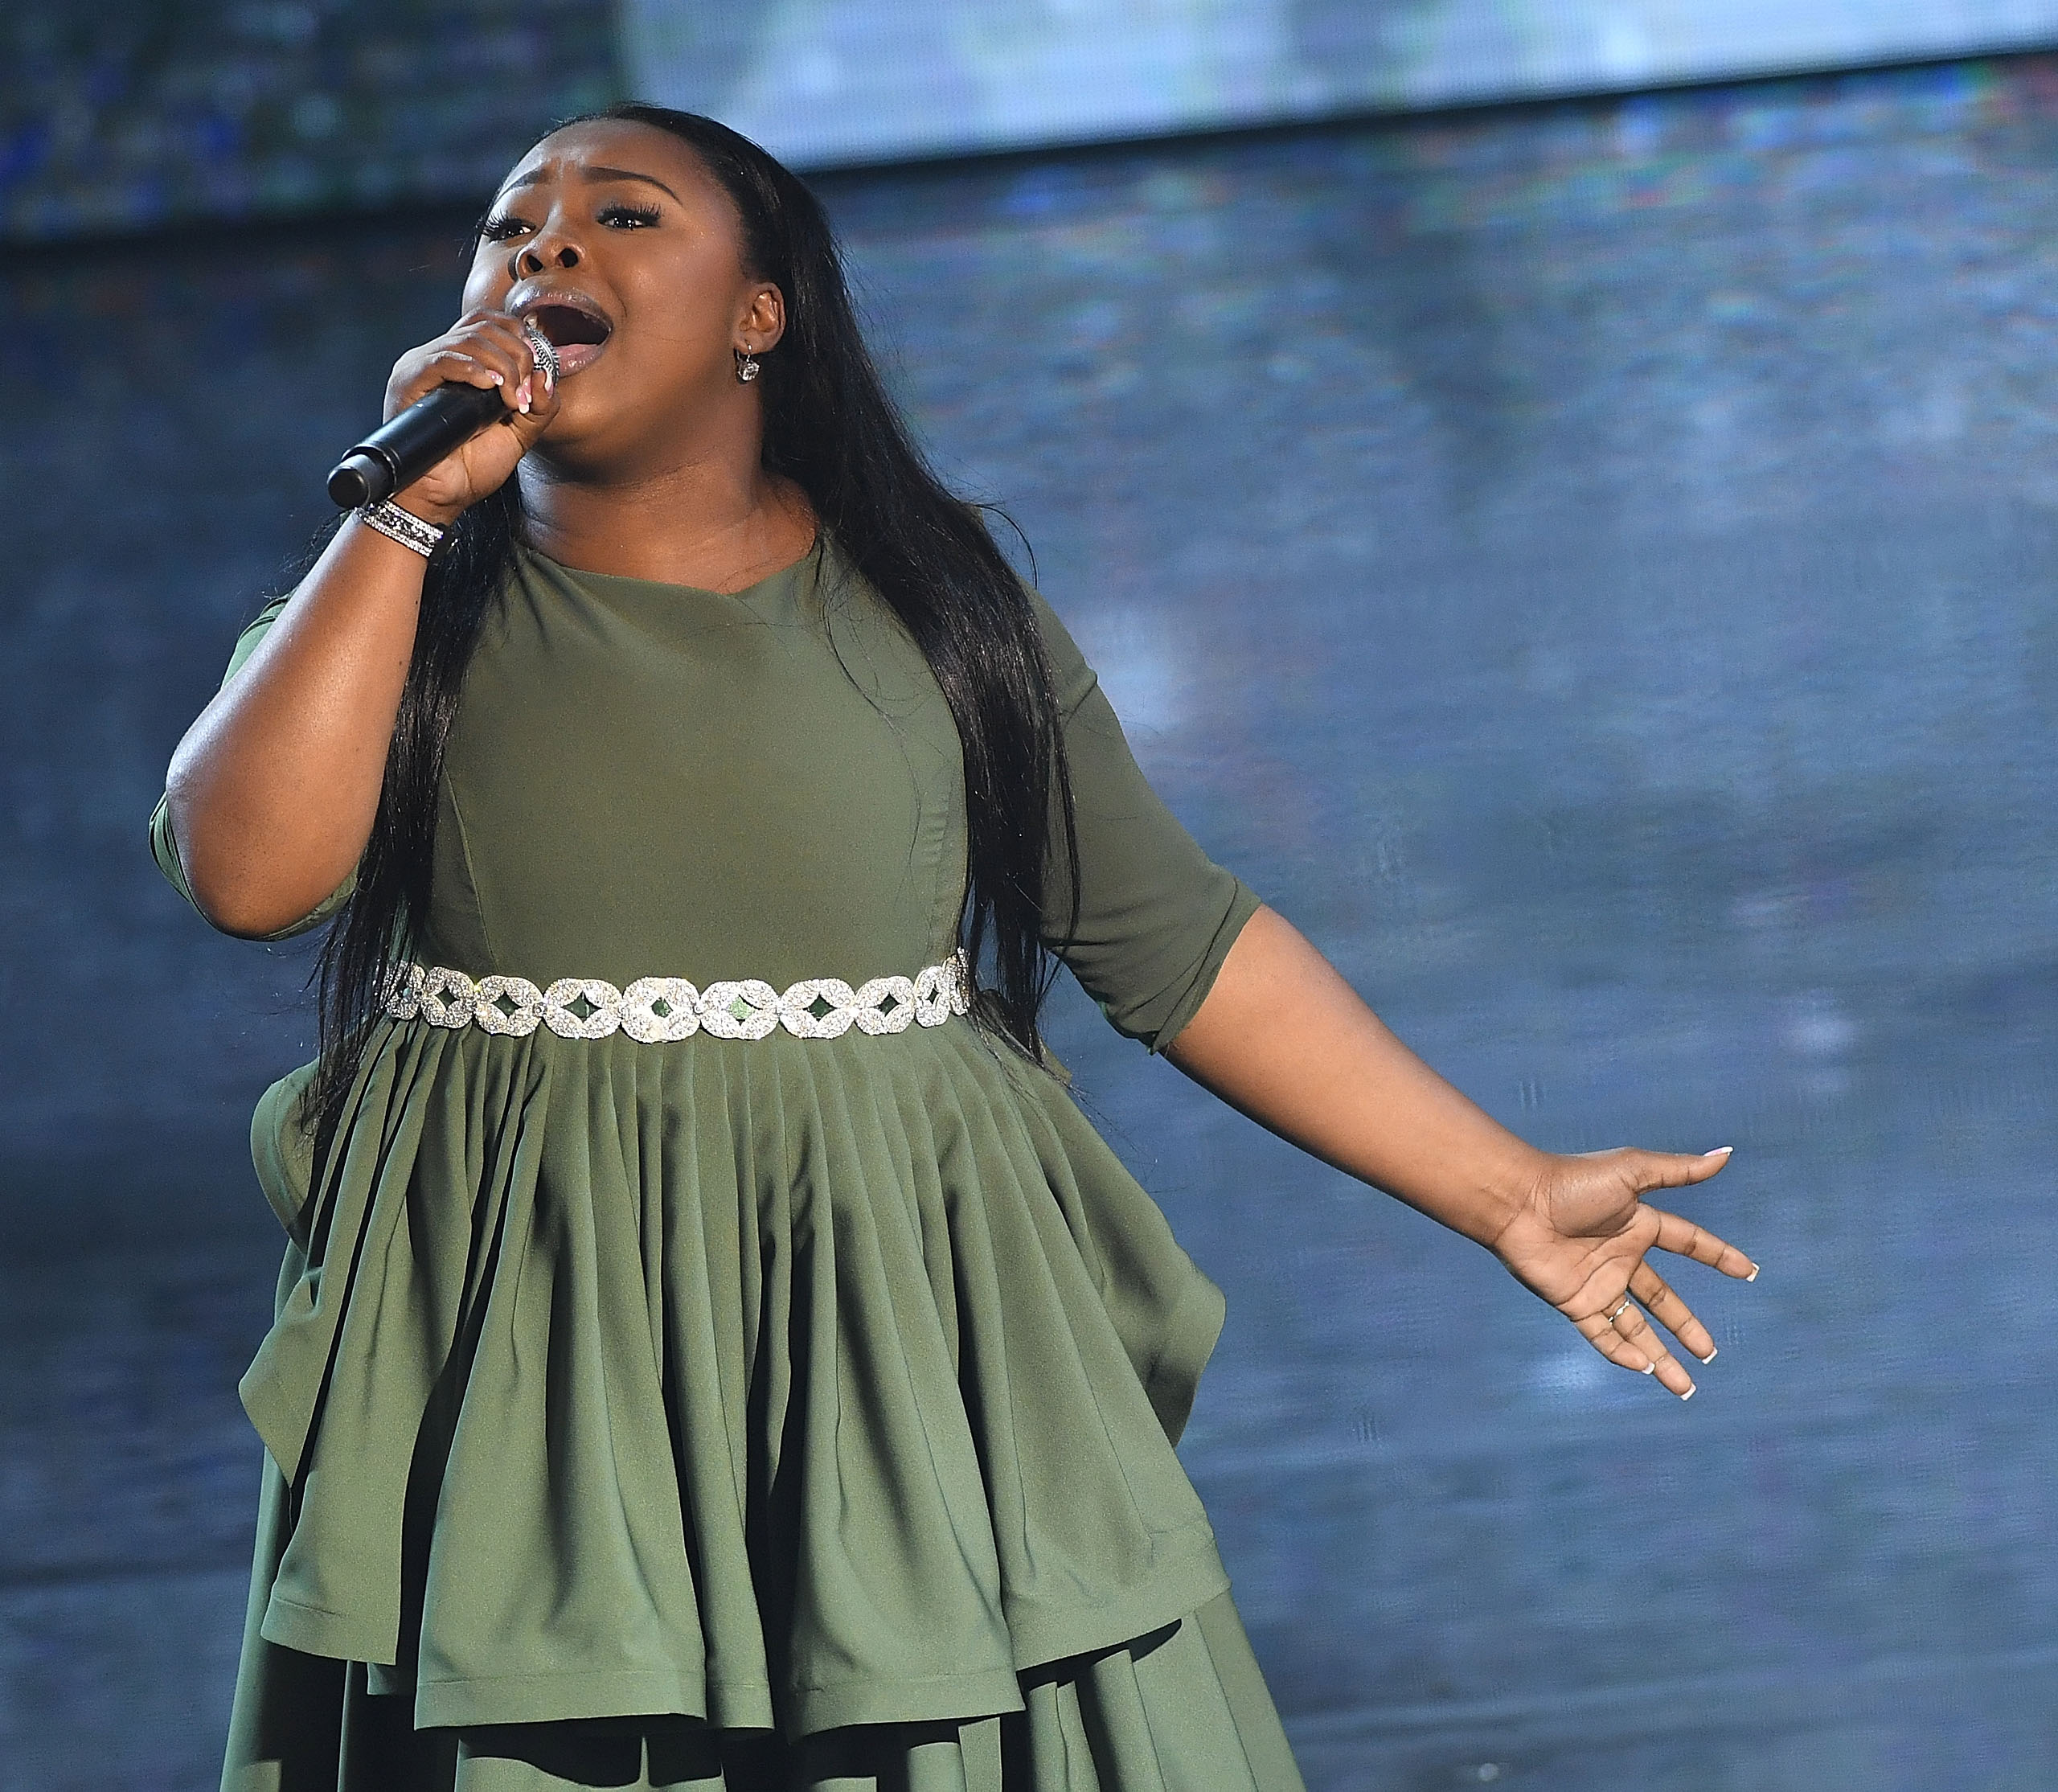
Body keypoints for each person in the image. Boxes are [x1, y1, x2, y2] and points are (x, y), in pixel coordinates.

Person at [152, 104, 1757, 1792]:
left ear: (760, 315)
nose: (544, 244)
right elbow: (246, 874)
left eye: (623, 217)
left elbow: (1177, 942)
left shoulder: (933, 605)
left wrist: (1506, 1190)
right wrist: (400, 519)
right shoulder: (396, 602)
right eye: (510, 225)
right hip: (533, 1339)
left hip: (882, 1315)